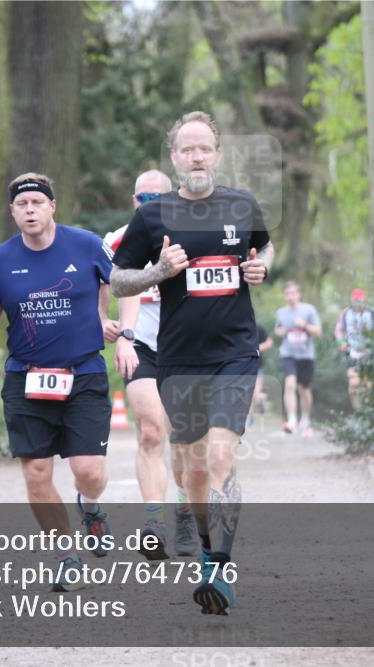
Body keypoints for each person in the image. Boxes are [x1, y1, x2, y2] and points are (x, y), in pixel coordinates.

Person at [110, 110, 274, 615]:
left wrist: (260, 266)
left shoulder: (241, 205)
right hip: (181, 361)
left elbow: (264, 245)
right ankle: (206, 550)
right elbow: (118, 279)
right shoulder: (153, 215)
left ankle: (218, 570)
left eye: (205, 148)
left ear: (218, 155)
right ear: (175, 158)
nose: (197, 156)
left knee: (220, 458)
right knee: (194, 473)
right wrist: (158, 271)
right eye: (187, 149)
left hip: (235, 354)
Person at [0, 172, 116, 592]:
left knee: (89, 472)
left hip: (83, 373)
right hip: (26, 377)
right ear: (13, 212)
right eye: (21, 205)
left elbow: (118, 282)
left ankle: (91, 504)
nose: (29, 210)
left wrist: (106, 319)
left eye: (36, 203)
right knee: (35, 474)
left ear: (51, 207)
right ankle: (66, 555)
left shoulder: (85, 244)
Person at [105, 169, 199, 560]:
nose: (152, 205)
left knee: (185, 439)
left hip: (186, 346)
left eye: (159, 198)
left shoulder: (194, 236)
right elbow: (101, 284)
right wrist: (102, 324)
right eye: (144, 199)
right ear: (134, 202)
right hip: (140, 346)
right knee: (148, 433)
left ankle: (184, 510)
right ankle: (153, 522)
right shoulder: (115, 240)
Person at [274, 281, 322, 437]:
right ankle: (292, 420)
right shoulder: (281, 312)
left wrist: (305, 325)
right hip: (288, 353)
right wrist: (280, 331)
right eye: (287, 293)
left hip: (306, 355)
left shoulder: (308, 310)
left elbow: (318, 331)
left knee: (304, 389)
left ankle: (306, 419)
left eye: (293, 293)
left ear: (299, 294)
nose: (290, 296)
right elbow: (278, 330)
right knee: (290, 384)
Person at [335, 287, 374, 408]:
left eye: (360, 300)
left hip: (368, 352)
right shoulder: (346, 313)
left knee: (368, 383)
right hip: (352, 351)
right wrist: (341, 342)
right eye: (355, 300)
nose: (358, 302)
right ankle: (357, 410)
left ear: (364, 300)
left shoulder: (371, 313)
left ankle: (369, 410)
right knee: (353, 382)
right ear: (352, 300)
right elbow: (338, 330)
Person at [247, 324, 274, 428]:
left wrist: (259, 348)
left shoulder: (258, 328)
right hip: (241, 368)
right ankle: (250, 418)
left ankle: (261, 400)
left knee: (255, 394)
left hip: (257, 367)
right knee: (248, 393)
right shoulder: (235, 328)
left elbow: (270, 342)